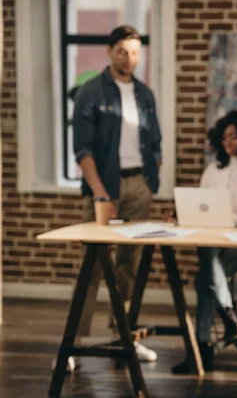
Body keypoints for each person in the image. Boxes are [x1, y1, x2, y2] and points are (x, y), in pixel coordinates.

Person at [63, 25, 162, 371]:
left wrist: (151, 180)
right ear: (109, 51)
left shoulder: (145, 95)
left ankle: (125, 337)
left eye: (135, 52)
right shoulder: (91, 93)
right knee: (91, 266)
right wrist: (101, 193)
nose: (129, 58)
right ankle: (72, 343)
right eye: (122, 51)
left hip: (139, 186)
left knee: (128, 265)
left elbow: (155, 143)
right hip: (103, 188)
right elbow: (83, 150)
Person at [170, 110, 237, 374]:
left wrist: (214, 219)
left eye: (234, 137)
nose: (228, 142)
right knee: (209, 261)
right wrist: (182, 214)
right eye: (224, 137)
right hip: (214, 244)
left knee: (203, 278)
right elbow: (201, 208)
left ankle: (200, 350)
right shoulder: (212, 171)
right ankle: (222, 325)